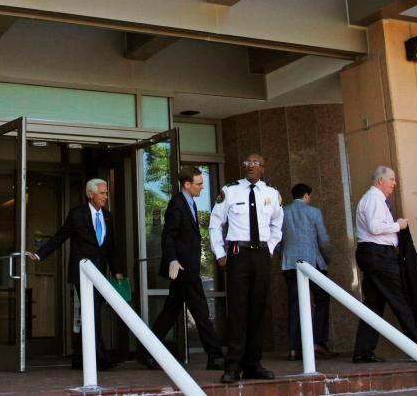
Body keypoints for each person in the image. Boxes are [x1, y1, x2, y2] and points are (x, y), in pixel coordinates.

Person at [352, 165, 417, 363]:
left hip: (373, 255)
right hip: (379, 255)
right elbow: (375, 227)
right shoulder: (374, 199)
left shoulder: (373, 199)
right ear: (380, 181)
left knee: (374, 304)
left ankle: (363, 350)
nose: (394, 183)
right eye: (392, 179)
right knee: (400, 299)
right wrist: (399, 225)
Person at [27, 178, 123, 369]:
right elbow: (60, 237)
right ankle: (100, 359)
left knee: (91, 313)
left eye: (106, 193)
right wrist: (39, 255)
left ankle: (80, 359)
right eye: (102, 193)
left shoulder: (108, 216)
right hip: (83, 274)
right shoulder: (77, 214)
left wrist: (117, 271)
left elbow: (110, 248)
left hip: (101, 274)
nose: (106, 196)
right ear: (91, 194)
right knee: (92, 312)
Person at [209, 152, 283, 384]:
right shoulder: (230, 191)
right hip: (237, 254)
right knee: (238, 310)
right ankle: (233, 365)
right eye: (247, 163)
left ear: (263, 168)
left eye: (255, 164)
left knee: (258, 309)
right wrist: (220, 254)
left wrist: (269, 249)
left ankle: (253, 363)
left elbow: (277, 224)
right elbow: (214, 223)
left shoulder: (272, 193)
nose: (251, 167)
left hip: (260, 254)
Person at [141, 167, 224, 371]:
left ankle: (145, 352)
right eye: (198, 183)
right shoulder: (177, 204)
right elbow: (168, 235)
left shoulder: (190, 203)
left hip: (187, 268)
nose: (202, 187)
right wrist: (173, 260)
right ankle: (215, 356)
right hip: (184, 269)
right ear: (187, 184)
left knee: (170, 312)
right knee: (201, 311)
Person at [280, 183, 336, 361]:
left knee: (295, 304)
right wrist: (326, 259)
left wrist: (284, 255)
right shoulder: (314, 212)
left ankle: (295, 348)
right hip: (313, 262)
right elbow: (324, 239)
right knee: (322, 299)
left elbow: (278, 239)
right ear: (306, 196)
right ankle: (318, 342)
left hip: (290, 264)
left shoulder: (283, 212)